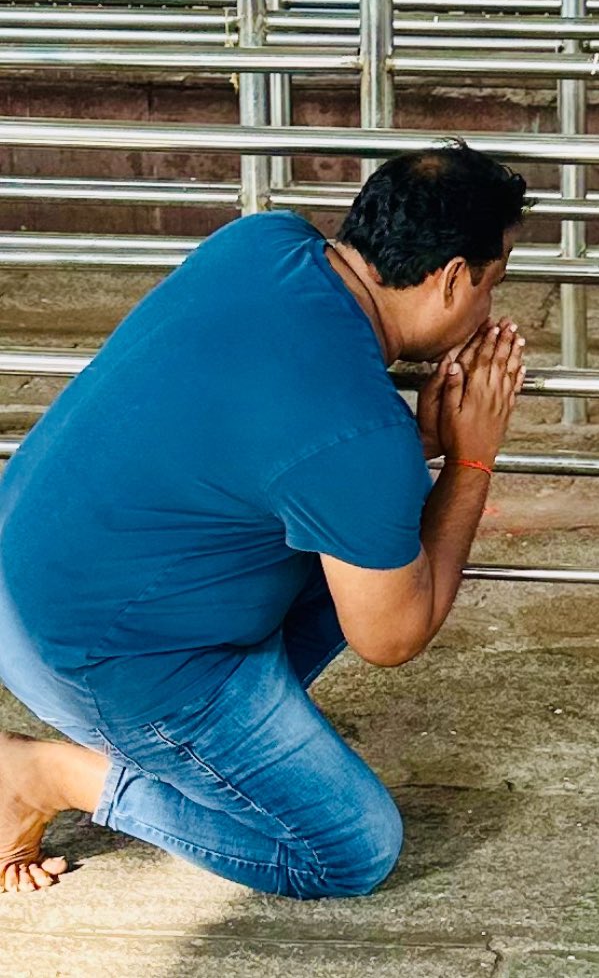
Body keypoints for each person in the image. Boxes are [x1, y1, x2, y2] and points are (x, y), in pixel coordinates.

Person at [0, 140, 529, 899]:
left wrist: (403, 451)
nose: (488, 309)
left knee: (369, 532)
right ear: (449, 280)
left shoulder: (258, 241)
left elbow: (256, 436)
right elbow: (392, 636)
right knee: (347, 851)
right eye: (490, 285)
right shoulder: (356, 433)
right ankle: (43, 775)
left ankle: (216, 751)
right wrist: (472, 461)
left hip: (34, 592)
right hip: (103, 665)